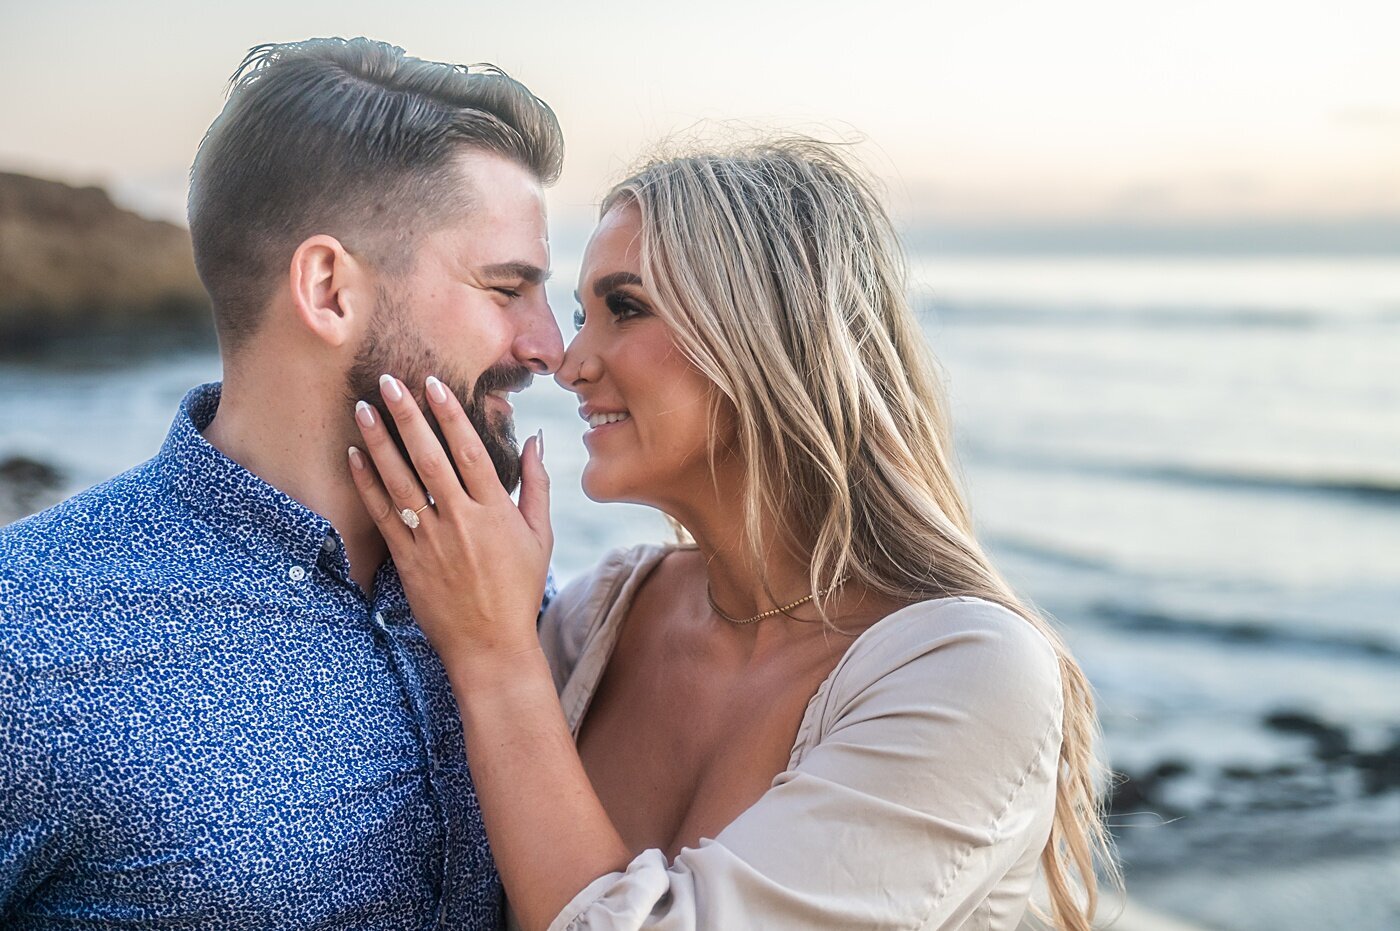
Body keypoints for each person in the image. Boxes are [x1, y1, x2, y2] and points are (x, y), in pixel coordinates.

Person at [348, 138, 1121, 931]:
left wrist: (494, 652)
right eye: (584, 316)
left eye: (626, 307)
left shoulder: (968, 674)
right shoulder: (595, 619)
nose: (570, 362)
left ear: (767, 336)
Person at [0, 38, 564, 928]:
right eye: (505, 289)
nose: (549, 350)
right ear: (329, 288)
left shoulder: (525, 597)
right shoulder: (26, 629)